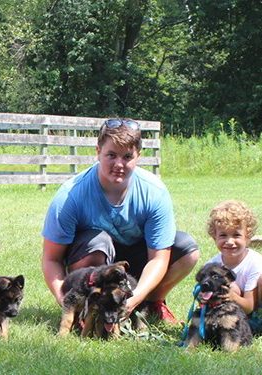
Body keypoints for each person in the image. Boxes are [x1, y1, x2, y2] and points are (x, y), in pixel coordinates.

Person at [41, 118, 199, 324]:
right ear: (98, 151)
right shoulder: (71, 195)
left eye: (127, 157)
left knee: (188, 250)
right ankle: (90, 305)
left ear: (138, 157)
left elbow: (158, 258)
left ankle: (151, 302)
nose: (119, 164)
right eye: (111, 155)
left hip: (134, 259)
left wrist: (133, 299)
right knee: (98, 241)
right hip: (94, 258)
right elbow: (51, 259)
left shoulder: (154, 192)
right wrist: (65, 300)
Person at [203, 200, 262, 332]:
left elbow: (248, 307)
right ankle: (224, 322)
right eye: (223, 235)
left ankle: (258, 322)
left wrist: (232, 297)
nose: (230, 242)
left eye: (236, 235)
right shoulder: (212, 265)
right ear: (214, 237)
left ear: (247, 238)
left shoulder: (255, 262)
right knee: (228, 284)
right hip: (232, 312)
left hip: (253, 308)